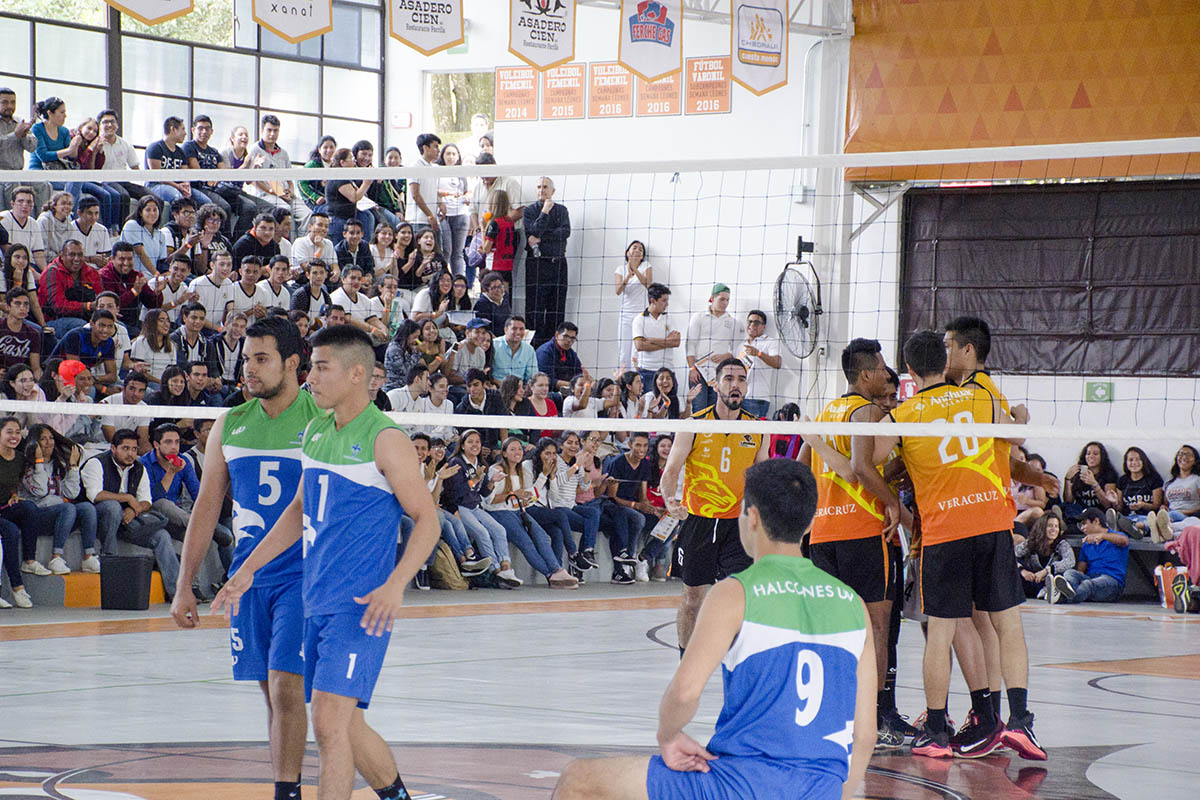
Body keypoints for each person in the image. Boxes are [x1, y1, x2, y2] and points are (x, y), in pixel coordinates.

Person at [553, 458, 876, 800]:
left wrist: (669, 734)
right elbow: (866, 734)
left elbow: (685, 694)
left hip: (742, 783)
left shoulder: (735, 592)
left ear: (750, 516)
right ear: (810, 522)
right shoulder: (852, 603)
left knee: (578, 779)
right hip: (821, 787)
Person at [213, 324, 437, 800]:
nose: (310, 376)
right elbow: (297, 510)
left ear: (358, 374)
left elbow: (428, 520)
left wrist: (397, 584)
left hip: (360, 605)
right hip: (315, 599)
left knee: (328, 722)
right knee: (348, 725)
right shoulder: (316, 429)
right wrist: (249, 568)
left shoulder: (385, 439)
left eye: (320, 366)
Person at [868, 330, 1042, 761]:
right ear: (945, 363)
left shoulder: (903, 416)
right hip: (991, 523)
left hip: (945, 532)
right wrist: (1018, 416)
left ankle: (937, 732)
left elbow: (869, 459)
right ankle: (1019, 722)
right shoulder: (980, 396)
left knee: (940, 634)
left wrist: (903, 462)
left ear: (908, 370)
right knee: (1008, 626)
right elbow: (1016, 437)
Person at [172, 316, 319, 800]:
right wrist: (184, 584)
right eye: (245, 358)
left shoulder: (321, 420)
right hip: (247, 581)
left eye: (261, 359)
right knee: (271, 694)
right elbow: (206, 506)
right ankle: (288, 782)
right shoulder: (230, 424)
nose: (248, 370)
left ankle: (287, 792)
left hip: (305, 574)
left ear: (293, 363)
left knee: (284, 688)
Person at [798, 338, 903, 747]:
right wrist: (893, 499)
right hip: (863, 532)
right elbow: (860, 470)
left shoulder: (825, 414)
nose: (885, 373)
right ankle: (876, 718)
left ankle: (831, 711)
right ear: (865, 376)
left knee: (833, 629)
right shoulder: (866, 411)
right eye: (880, 369)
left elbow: (804, 471)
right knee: (877, 627)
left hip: (824, 535)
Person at [660, 358, 768, 653]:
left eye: (741, 379)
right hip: (700, 521)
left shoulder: (757, 428)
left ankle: (737, 662)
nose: (736, 384)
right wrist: (670, 499)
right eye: (729, 378)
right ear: (716, 384)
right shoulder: (694, 424)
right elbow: (670, 472)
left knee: (741, 597)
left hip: (739, 525)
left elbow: (763, 476)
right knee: (693, 598)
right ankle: (687, 661)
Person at [82, 429, 180, 598]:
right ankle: (109, 560)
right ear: (113, 448)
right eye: (125, 449)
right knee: (112, 507)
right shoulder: (96, 463)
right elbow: (95, 495)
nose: (131, 454)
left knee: (162, 535)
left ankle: (176, 592)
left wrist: (135, 510)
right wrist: (127, 498)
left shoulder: (139, 468)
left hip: (127, 521)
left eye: (134, 449)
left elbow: (146, 501)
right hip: (96, 519)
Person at [482, 436, 579, 588]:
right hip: (499, 512)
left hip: (517, 511)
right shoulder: (497, 470)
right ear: (505, 453)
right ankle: (551, 574)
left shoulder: (520, 471)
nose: (517, 452)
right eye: (512, 449)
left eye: (519, 449)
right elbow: (489, 500)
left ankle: (557, 570)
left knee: (541, 535)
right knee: (526, 542)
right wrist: (514, 494)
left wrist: (544, 476)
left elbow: (530, 493)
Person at [20, 423, 99, 575]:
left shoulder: (58, 464)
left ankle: (88, 557)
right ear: (34, 443)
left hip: (60, 515)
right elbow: (41, 491)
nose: (49, 442)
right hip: (36, 517)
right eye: (43, 439)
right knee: (67, 507)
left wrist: (73, 466)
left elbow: (71, 493)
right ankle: (56, 557)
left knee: (87, 508)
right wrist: (38, 462)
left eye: (51, 438)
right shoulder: (27, 466)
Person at [523, 177, 571, 348]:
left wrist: (541, 238)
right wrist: (544, 212)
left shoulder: (562, 210)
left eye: (545, 187)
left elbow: (565, 233)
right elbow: (533, 230)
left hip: (558, 266)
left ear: (553, 191)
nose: (541, 190)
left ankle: (553, 351)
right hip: (536, 266)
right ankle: (533, 351)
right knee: (534, 312)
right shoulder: (529, 211)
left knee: (556, 312)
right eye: (538, 187)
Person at [685, 284, 743, 415]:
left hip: (719, 374)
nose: (725, 303)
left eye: (728, 300)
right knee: (698, 408)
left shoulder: (732, 322)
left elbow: (737, 349)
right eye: (722, 299)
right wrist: (692, 369)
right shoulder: (699, 317)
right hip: (699, 371)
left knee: (715, 410)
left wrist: (726, 356)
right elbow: (690, 345)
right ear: (712, 298)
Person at [1050, 507, 1129, 604]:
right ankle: (1069, 593)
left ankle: (1062, 598)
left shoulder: (1115, 535)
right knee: (1070, 573)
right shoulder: (1086, 544)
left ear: (1096, 521)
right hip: (1090, 579)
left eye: (1084, 523)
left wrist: (1102, 536)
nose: (1082, 528)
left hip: (1112, 582)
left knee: (1087, 584)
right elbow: (1080, 571)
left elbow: (1124, 541)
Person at [38, 237, 103, 338]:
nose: (77, 259)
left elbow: (100, 297)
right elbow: (58, 306)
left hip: (87, 317)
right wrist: (88, 306)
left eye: (80, 255)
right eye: (72, 254)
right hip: (52, 321)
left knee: (117, 326)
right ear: (62, 256)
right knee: (83, 327)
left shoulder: (92, 272)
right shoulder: (51, 272)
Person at [632, 283, 681, 391]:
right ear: (653, 300)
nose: (667, 304)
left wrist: (651, 340)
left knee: (671, 406)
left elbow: (676, 342)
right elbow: (639, 345)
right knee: (648, 406)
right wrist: (667, 342)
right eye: (664, 301)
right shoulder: (639, 320)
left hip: (668, 371)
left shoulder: (669, 318)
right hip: (648, 371)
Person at [1147, 445, 1200, 543]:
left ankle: (1153, 529)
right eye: (1181, 454)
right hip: (1169, 516)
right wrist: (1163, 507)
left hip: (1188, 516)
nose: (1184, 457)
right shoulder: (1170, 480)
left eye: (1188, 455)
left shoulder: (1197, 479)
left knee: (1175, 516)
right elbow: (1165, 503)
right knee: (1149, 517)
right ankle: (1161, 531)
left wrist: (1184, 512)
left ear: (1195, 461)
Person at [1014, 514, 1074, 599]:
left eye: (1056, 526)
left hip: (1050, 578)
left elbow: (1070, 561)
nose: (1054, 529)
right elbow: (1011, 556)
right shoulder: (1031, 543)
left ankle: (1051, 593)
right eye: (1050, 526)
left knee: (1066, 575)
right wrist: (1022, 571)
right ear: (1041, 528)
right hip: (1032, 580)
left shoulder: (1062, 544)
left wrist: (1047, 571)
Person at [1110, 446, 1164, 538]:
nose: (1134, 463)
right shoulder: (1122, 480)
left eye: (1138, 460)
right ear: (1126, 463)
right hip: (1127, 518)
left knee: (1150, 522)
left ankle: (1132, 529)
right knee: (1122, 521)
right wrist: (1114, 502)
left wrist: (1142, 505)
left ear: (1144, 461)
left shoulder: (1153, 478)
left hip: (1146, 517)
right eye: (1130, 460)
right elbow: (1120, 508)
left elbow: (1156, 506)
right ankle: (1131, 529)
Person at [614, 240, 652, 372]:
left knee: (636, 351)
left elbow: (648, 284)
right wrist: (627, 277)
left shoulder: (646, 266)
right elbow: (618, 291)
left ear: (642, 256)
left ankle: (636, 381)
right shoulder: (620, 269)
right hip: (625, 314)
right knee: (624, 351)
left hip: (640, 315)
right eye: (634, 248)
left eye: (640, 249)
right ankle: (623, 381)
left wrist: (635, 269)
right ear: (627, 252)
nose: (637, 250)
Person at [325, 148, 375, 245]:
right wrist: (366, 183)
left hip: (348, 218)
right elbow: (354, 197)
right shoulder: (339, 178)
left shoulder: (347, 178)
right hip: (339, 220)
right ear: (342, 162)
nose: (354, 161)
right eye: (351, 159)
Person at [0, 89, 38, 213]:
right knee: (13, 182)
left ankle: (39, 223)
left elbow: (32, 148)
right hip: (2, 173)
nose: (10, 106)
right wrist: (15, 135)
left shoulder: (19, 122)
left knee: (43, 184)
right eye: (5, 102)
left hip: (19, 171)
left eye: (13, 102)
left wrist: (24, 135)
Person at [738, 309, 780, 418]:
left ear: (764, 326)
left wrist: (758, 353)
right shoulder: (741, 345)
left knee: (753, 433)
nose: (752, 325)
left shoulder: (770, 342)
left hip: (757, 397)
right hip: (739, 397)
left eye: (756, 322)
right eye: (749, 322)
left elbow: (777, 363)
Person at [120, 195, 173, 278]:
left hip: (153, 277)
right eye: (148, 210)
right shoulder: (132, 225)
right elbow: (140, 252)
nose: (152, 213)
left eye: (155, 210)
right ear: (141, 212)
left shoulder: (160, 234)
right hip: (135, 276)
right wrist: (156, 275)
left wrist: (166, 276)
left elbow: (162, 262)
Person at [405, 133, 444, 236]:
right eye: (435, 147)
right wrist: (430, 215)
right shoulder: (415, 167)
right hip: (418, 220)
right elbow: (415, 195)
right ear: (425, 148)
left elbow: (430, 190)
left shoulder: (434, 168)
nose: (438, 150)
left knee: (438, 251)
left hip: (432, 218)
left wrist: (441, 203)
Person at [0, 289, 43, 376]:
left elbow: (36, 368)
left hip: (20, 378)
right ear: (7, 306)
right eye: (17, 303)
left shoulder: (33, 333)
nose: (22, 308)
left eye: (26, 304)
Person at [66, 195, 113, 270]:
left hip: (95, 272)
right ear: (79, 213)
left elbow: (104, 257)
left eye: (96, 213)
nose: (94, 217)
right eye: (90, 213)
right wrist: (90, 259)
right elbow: (66, 258)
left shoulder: (102, 230)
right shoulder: (69, 229)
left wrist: (104, 261)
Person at [535, 322, 584, 393]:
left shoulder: (571, 353)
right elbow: (549, 380)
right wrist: (575, 386)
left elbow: (579, 373)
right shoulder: (545, 352)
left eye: (573, 338)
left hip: (568, 390)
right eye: (566, 336)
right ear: (557, 335)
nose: (569, 341)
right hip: (548, 392)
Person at [492, 315, 537, 382]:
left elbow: (532, 377)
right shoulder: (494, 345)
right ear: (506, 330)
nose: (518, 332)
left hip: (520, 389)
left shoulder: (529, 350)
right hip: (496, 387)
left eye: (521, 329)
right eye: (514, 328)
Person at [473, 271, 512, 337]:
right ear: (486, 290)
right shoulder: (482, 304)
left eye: (500, 286)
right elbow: (484, 330)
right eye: (494, 288)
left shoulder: (505, 297)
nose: (498, 290)